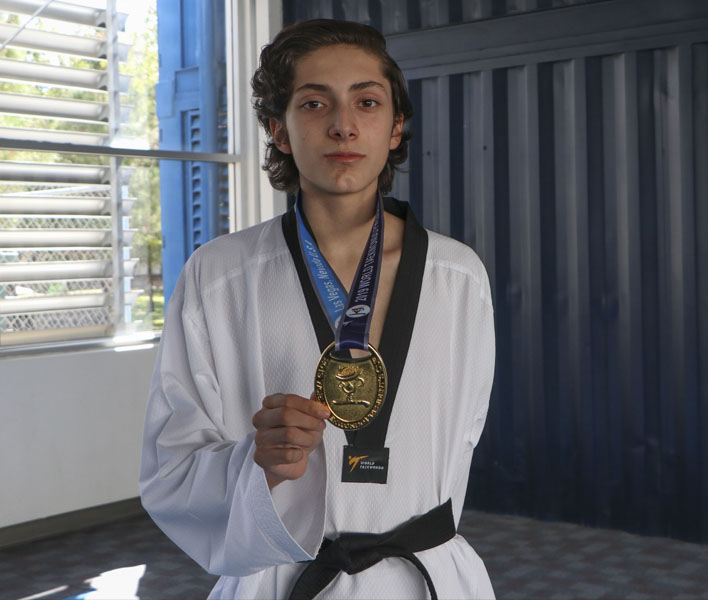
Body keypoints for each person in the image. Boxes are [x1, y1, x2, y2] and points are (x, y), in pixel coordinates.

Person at [139, 18, 496, 600]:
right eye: (313, 104)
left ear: (396, 127)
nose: (343, 125)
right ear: (279, 131)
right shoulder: (219, 276)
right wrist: (259, 466)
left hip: (427, 578)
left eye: (368, 101)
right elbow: (170, 467)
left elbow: (461, 439)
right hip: (280, 578)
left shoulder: (457, 276)